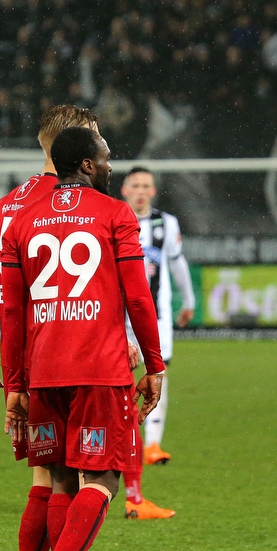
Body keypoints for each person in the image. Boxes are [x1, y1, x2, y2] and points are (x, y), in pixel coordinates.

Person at [0, 126, 165, 551]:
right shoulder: (116, 215)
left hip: (46, 371)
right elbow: (138, 297)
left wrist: (16, 385)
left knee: (62, 482)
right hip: (99, 370)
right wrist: (155, 364)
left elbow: (13, 312)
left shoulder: (21, 221)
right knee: (104, 478)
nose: (112, 165)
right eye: (107, 157)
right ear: (88, 165)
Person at [0, 105, 99, 551]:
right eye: (94, 138)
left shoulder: (11, 205)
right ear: (73, 144)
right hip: (76, 351)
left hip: (26, 353)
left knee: (46, 476)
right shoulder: (83, 201)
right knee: (79, 476)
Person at [119, 166, 196, 519]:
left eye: (146, 185)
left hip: (157, 316)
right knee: (119, 379)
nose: (140, 190)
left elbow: (177, 264)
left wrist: (188, 299)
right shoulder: (113, 218)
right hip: (118, 318)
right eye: (135, 184)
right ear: (124, 188)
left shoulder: (167, 224)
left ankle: (151, 443)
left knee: (157, 373)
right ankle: (123, 444)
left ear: (153, 191)